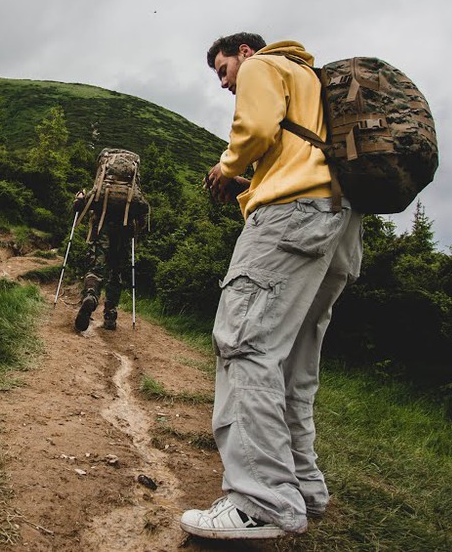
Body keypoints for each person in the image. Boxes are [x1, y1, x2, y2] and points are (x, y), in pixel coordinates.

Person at [179, 33, 363, 540]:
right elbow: (296, 149)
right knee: (295, 362)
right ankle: (303, 486)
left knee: (245, 344)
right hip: (339, 225)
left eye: (222, 69)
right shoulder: (311, 80)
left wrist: (227, 166)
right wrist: (255, 177)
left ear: (245, 53)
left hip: (290, 218)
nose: (223, 82)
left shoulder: (264, 66)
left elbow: (255, 127)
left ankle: (260, 501)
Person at [72, 150, 149, 332]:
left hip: (101, 226)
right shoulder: (132, 182)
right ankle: (110, 315)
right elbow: (142, 213)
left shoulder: (102, 182)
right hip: (124, 229)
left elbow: (83, 205)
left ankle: (90, 297)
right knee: (117, 273)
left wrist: (79, 200)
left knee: (96, 268)